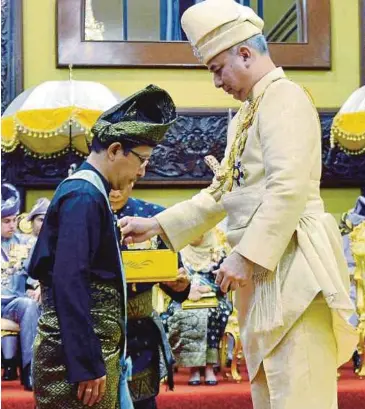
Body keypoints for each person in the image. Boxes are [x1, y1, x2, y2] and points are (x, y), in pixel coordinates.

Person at [119, 2, 358, 408]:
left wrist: (245, 257)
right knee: (271, 393)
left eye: (217, 68)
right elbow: (222, 193)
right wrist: (157, 225)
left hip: (295, 266)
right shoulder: (247, 112)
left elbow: (288, 189)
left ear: (245, 53)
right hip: (268, 270)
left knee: (299, 395)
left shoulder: (284, 98)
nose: (216, 82)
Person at [28, 84, 177, 409]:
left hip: (91, 351)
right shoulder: (83, 195)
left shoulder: (92, 192)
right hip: (75, 362)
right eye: (141, 159)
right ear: (114, 150)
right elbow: (70, 281)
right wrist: (86, 364)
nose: (142, 170)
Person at [110, 186, 190, 409]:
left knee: (142, 401)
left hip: (140, 330)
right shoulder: (86, 215)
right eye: (111, 184)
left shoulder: (152, 216)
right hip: (97, 328)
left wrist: (180, 285)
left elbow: (175, 276)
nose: (115, 190)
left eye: (122, 183)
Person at [161, 228, 232, 386]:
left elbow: (226, 281)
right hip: (183, 298)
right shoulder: (178, 251)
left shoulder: (219, 252)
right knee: (182, 314)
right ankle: (193, 367)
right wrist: (187, 289)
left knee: (211, 314)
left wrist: (208, 288)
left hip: (214, 299)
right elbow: (169, 279)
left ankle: (208, 367)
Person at [1, 183, 40, 390]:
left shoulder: (27, 243)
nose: (12, 225)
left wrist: (38, 285)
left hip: (13, 302)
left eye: (15, 220)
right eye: (6, 221)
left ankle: (30, 371)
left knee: (29, 305)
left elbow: (37, 272)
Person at [339, 189, 365, 372]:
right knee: (353, 311)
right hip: (353, 271)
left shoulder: (348, 219)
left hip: (353, 270)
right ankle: (355, 352)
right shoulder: (349, 219)